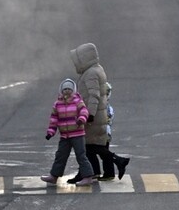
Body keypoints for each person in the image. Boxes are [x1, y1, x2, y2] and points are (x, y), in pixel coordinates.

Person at [66, 43, 130, 183]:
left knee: (88, 146)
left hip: (93, 115)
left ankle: (111, 164)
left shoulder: (91, 73)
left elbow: (93, 96)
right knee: (97, 145)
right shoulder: (96, 69)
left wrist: (90, 114)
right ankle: (105, 172)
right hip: (100, 114)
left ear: (84, 59)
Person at [41, 79, 96, 186]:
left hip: (77, 134)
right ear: (61, 91)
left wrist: (81, 119)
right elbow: (54, 120)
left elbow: (84, 111)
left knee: (81, 155)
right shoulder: (57, 104)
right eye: (65, 89)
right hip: (64, 136)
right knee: (60, 155)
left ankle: (88, 176)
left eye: (69, 89)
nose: (67, 91)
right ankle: (54, 176)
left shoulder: (78, 101)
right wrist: (50, 132)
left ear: (73, 90)